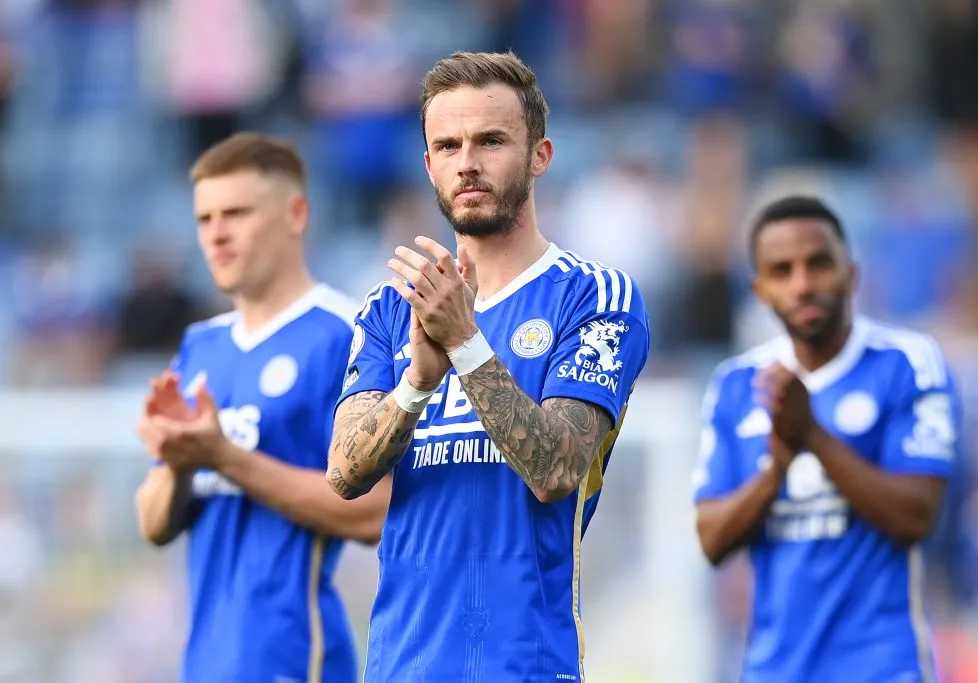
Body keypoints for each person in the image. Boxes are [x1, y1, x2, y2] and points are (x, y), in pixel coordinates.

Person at [326, 51, 651, 682]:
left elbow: (557, 470)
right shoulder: (391, 309)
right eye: (447, 145)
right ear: (428, 165)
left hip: (523, 666)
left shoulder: (593, 297)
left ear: (541, 156)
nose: (467, 162)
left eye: (491, 140)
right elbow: (343, 472)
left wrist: (467, 346)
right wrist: (417, 380)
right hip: (401, 667)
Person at [133, 132, 390, 683]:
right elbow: (153, 525)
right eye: (204, 220)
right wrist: (178, 458)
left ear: (296, 214)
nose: (217, 235)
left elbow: (376, 514)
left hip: (297, 658)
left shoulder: (344, 334)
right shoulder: (201, 346)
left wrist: (225, 456)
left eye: (237, 213)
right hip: (204, 662)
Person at [692, 195, 962, 682]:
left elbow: (917, 516)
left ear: (852, 273)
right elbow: (711, 538)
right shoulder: (736, 384)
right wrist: (776, 469)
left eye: (818, 264)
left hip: (884, 667)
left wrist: (813, 434)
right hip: (774, 669)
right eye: (782, 270)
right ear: (759, 289)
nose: (802, 284)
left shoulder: (907, 362)